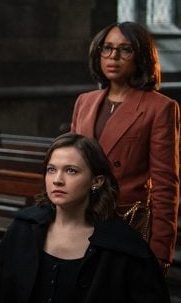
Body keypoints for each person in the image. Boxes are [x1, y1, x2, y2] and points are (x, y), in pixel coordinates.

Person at [0, 133, 171, 303]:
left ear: (96, 181)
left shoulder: (124, 245)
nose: (57, 180)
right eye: (51, 170)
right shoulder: (24, 228)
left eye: (71, 171)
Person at [70, 21, 180, 271]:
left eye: (125, 49)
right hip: (80, 218)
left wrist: (160, 251)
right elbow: (70, 164)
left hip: (126, 223)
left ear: (141, 56)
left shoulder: (160, 107)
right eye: (107, 48)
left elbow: (165, 185)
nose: (114, 56)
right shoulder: (84, 102)